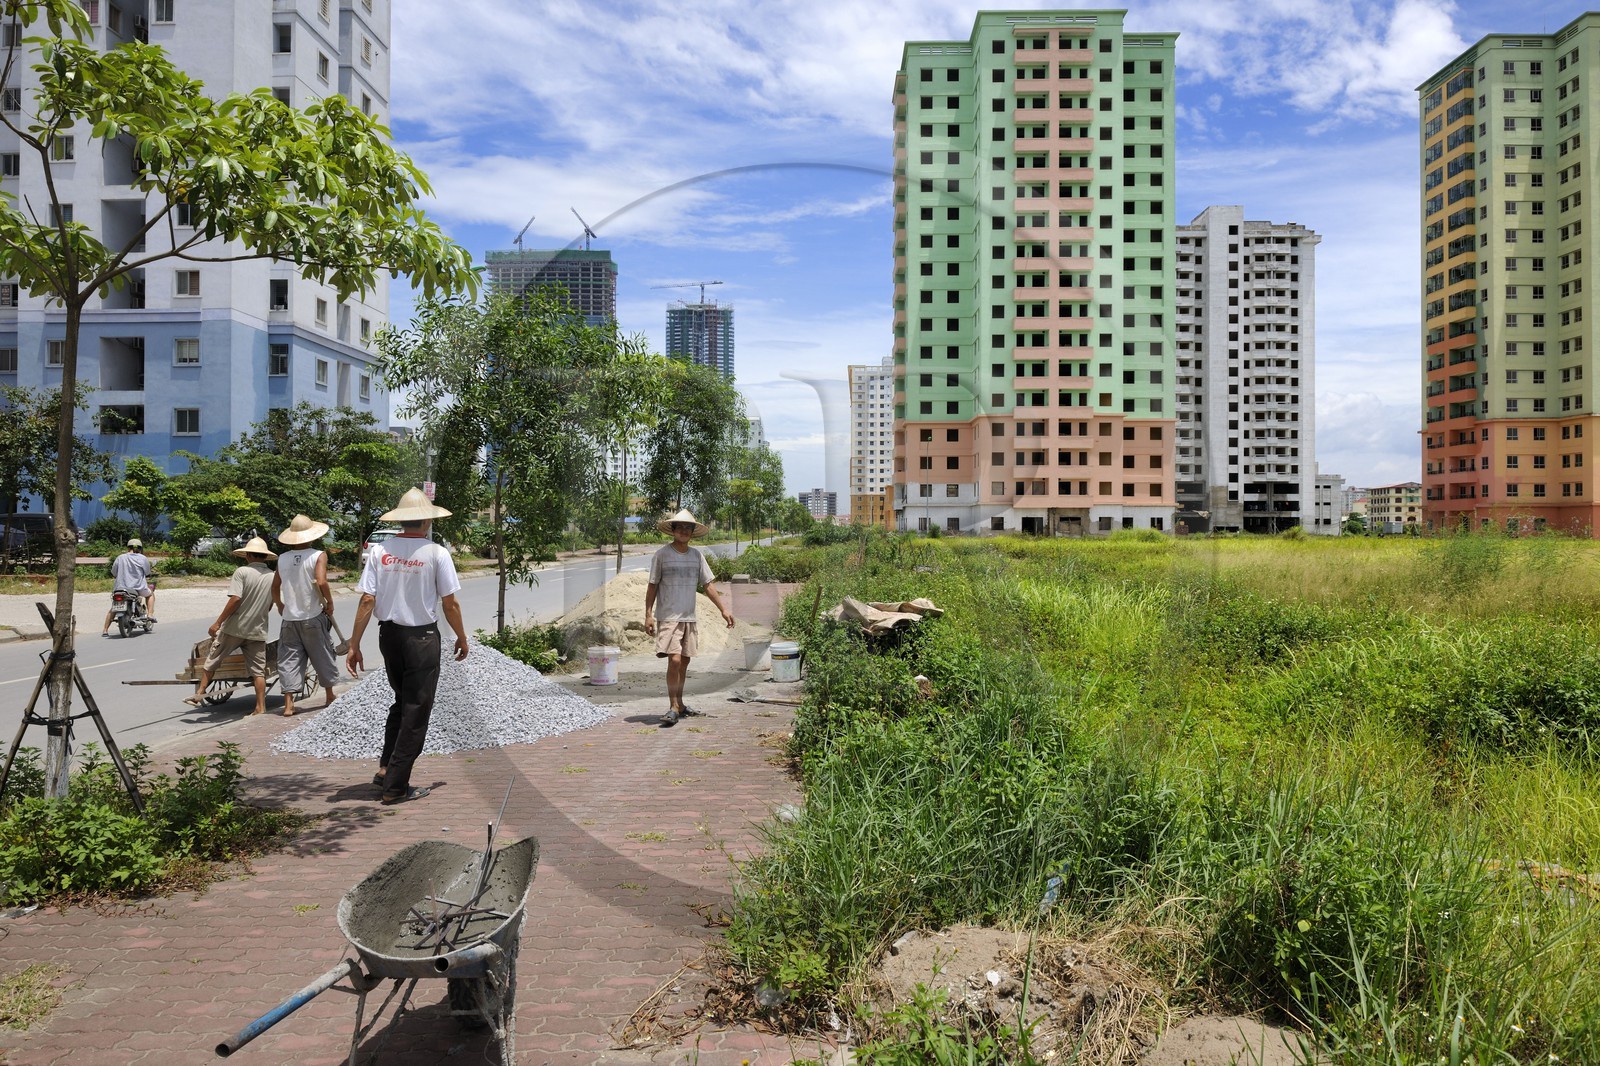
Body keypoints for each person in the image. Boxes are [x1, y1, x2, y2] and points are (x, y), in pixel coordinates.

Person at [346, 487, 468, 805]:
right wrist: (461, 636)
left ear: (401, 521)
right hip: (422, 639)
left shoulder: (380, 551)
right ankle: (396, 787)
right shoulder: (436, 553)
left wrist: (354, 644)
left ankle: (386, 769)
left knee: (402, 702)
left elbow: (367, 600)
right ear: (427, 521)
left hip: (389, 637)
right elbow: (450, 603)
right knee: (416, 710)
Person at [643, 509, 734, 727]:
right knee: (674, 660)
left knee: (684, 662)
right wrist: (648, 614)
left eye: (688, 528)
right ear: (673, 530)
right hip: (668, 616)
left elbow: (708, 585)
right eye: (680, 527)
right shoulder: (662, 555)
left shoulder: (696, 556)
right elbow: (653, 585)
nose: (684, 531)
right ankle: (673, 706)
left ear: (692, 532)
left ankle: (680, 704)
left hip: (689, 617)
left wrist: (723, 609)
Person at [185, 536, 277, 714]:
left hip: (235, 628)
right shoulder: (272, 576)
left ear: (248, 555)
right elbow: (270, 605)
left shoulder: (242, 572)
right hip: (257, 630)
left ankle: (200, 692)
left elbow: (235, 599)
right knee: (258, 671)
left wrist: (218, 622)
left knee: (213, 659)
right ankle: (260, 707)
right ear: (265, 556)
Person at [272, 514, 341, 716]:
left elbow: (275, 586)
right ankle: (329, 695)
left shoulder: (282, 558)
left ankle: (288, 704)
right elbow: (321, 581)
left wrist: (280, 605)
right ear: (312, 535)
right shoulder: (318, 555)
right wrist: (330, 602)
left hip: (289, 619)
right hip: (312, 616)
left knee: (289, 659)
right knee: (322, 654)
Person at [102, 537, 156, 636]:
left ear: (128, 548)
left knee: (114, 607)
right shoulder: (142, 558)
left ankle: (105, 630)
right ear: (140, 548)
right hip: (138, 588)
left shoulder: (120, 557)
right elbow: (147, 572)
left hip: (120, 588)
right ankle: (150, 615)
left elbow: (114, 572)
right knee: (150, 594)